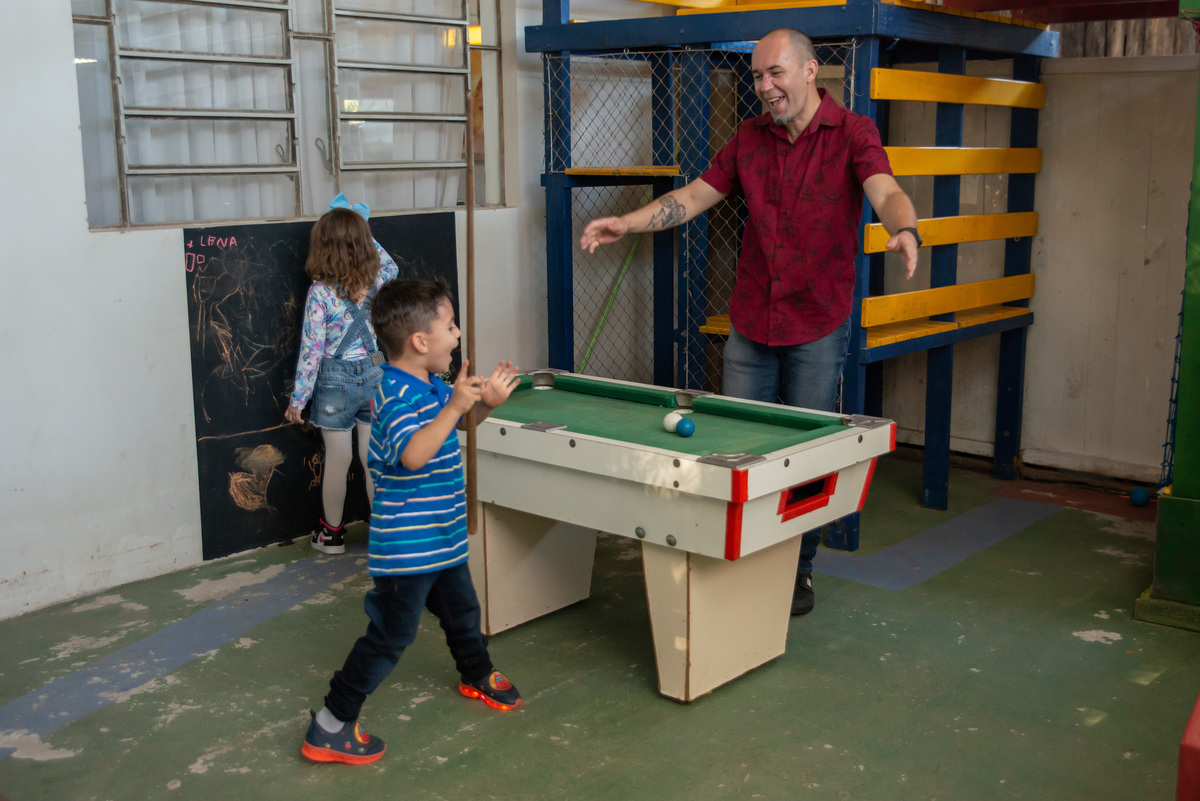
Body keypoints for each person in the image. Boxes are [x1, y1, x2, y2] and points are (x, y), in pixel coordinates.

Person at [579, 28, 920, 617]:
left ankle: (799, 570)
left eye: (776, 74)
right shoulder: (749, 139)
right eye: (758, 76)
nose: (764, 87)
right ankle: (742, 558)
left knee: (804, 453)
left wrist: (905, 226)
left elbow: (884, 189)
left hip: (816, 322)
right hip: (752, 323)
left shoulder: (854, 133)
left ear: (811, 71)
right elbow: (691, 198)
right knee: (739, 451)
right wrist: (628, 223)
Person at [301, 277, 523, 765]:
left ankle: (475, 672)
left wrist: (482, 405)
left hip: (441, 541)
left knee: (463, 614)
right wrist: (456, 405)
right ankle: (331, 723)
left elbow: (453, 428)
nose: (458, 333)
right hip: (408, 550)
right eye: (450, 326)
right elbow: (416, 453)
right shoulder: (392, 394)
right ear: (420, 342)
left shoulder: (434, 385)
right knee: (390, 636)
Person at [285, 197, 399, 554]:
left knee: (338, 459)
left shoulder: (320, 294)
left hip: (335, 384)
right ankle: (383, 535)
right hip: (375, 375)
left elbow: (310, 352)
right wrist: (366, 233)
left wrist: (297, 402)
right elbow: (391, 264)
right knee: (372, 459)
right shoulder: (377, 280)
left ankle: (331, 536)